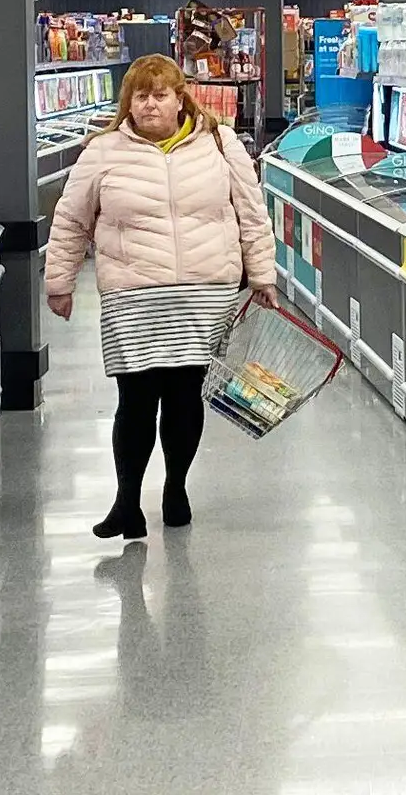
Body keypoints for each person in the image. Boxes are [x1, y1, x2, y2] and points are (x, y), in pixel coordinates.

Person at [41, 53, 274, 541]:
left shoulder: (219, 142)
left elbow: (252, 214)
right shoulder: (103, 151)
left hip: (204, 289)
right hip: (134, 292)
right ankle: (127, 501)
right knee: (136, 396)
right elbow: (70, 219)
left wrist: (263, 275)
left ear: (179, 97)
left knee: (186, 394)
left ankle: (176, 488)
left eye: (160, 95)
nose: (149, 105)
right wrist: (59, 281)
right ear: (128, 101)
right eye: (140, 96)